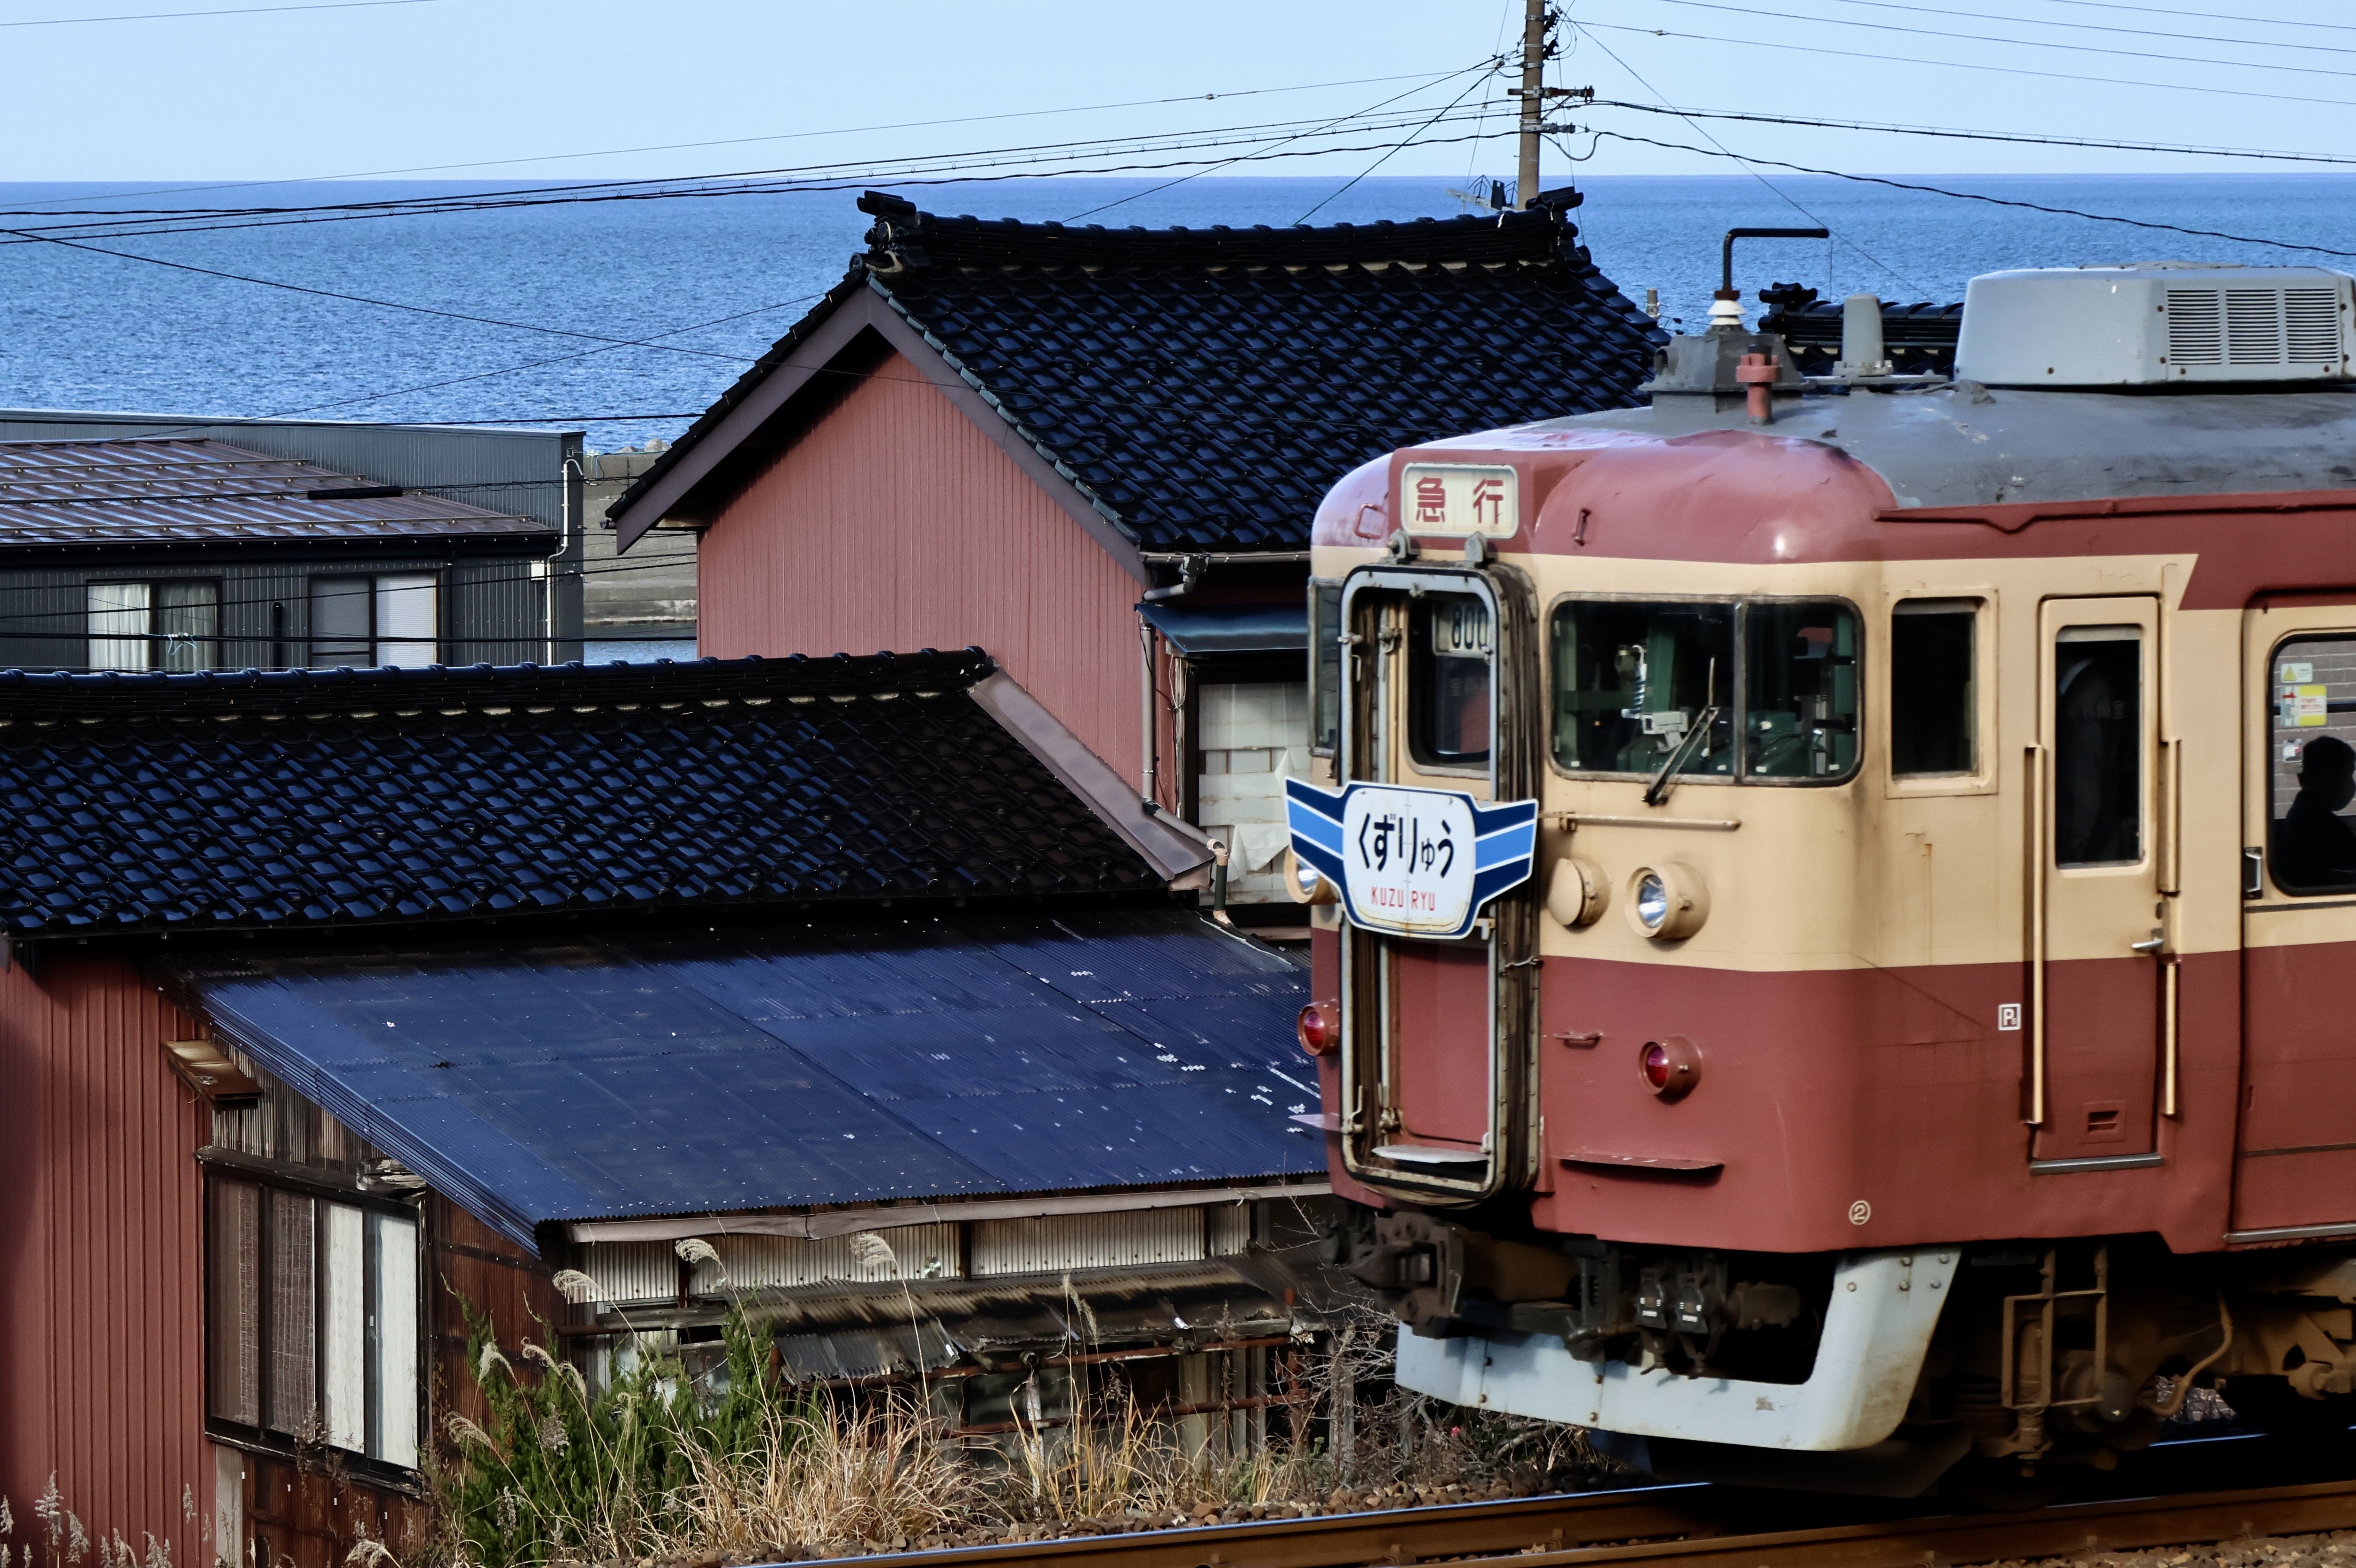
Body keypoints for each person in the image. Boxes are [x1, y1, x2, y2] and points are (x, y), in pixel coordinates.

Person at [2275, 734, 2356, 892]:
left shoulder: (2306, 813)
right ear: (2328, 776)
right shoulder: (2318, 823)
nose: (2352, 784)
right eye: (2348, 774)